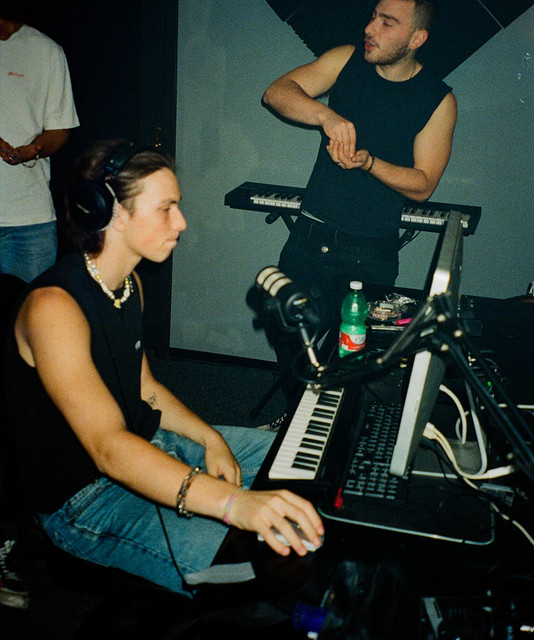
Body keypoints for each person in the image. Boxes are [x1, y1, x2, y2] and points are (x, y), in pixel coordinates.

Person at [4, 139, 324, 597]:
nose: (182, 222)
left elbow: (146, 389)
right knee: (253, 563)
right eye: (165, 208)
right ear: (111, 213)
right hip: (85, 499)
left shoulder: (129, 283)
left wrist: (210, 438)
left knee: (306, 464)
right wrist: (234, 504)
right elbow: (109, 448)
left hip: (148, 443)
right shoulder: (53, 308)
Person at [262, 0, 457, 400]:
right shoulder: (345, 60)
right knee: (287, 334)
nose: (370, 28)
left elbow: (423, 184)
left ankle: (323, 429)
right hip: (309, 237)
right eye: (373, 16)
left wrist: (369, 163)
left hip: (367, 253)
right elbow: (275, 93)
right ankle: (299, 417)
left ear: (416, 39)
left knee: (350, 361)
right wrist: (326, 116)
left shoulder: (437, 99)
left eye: (387, 22)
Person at [0, 3, 79, 282]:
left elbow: (59, 129)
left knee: (33, 308)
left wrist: (34, 150)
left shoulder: (47, 51)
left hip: (31, 223)